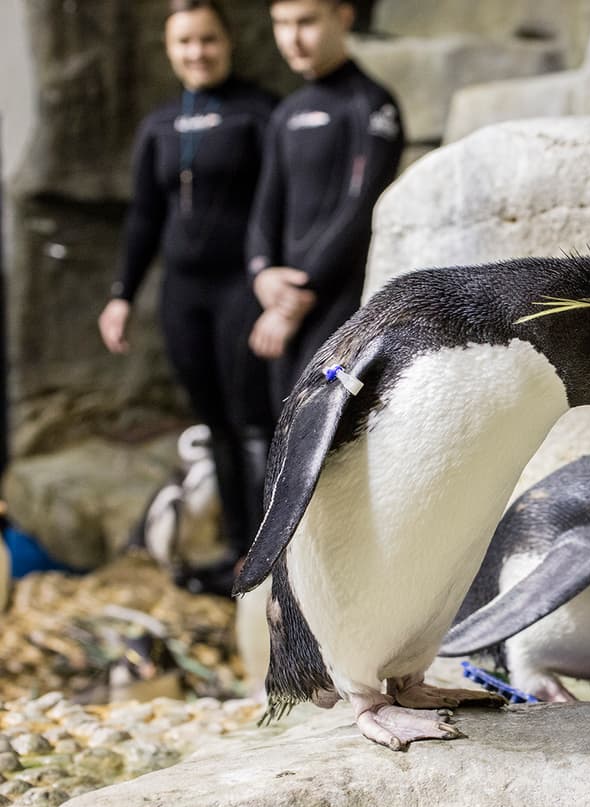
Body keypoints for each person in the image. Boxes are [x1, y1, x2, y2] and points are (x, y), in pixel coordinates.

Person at [98, 0, 276, 594]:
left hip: (240, 292)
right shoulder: (158, 125)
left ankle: (268, 550)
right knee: (215, 425)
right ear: (170, 51)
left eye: (208, 41)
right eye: (185, 44)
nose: (197, 53)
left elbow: (279, 207)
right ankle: (236, 553)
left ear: (227, 43)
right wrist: (122, 294)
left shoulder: (258, 113)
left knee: (253, 421)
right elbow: (145, 218)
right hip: (183, 295)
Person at [247, 0, 404, 413]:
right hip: (284, 305)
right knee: (281, 432)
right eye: (281, 24)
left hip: (339, 305)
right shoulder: (287, 113)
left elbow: (360, 209)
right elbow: (265, 209)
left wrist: (299, 297)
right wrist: (261, 273)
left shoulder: (371, 104)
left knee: (325, 439)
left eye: (306, 22)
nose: (292, 38)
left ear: (344, 17)